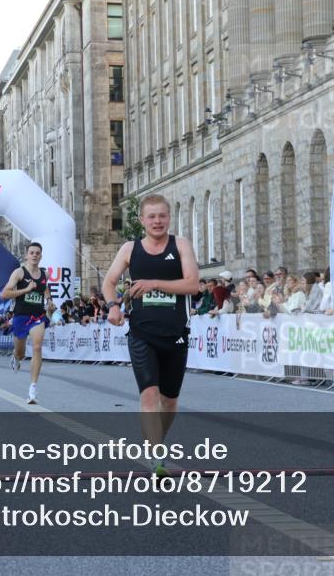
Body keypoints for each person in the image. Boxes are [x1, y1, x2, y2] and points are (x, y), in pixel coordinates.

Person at [103, 194, 199, 477]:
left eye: (162, 216)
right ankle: (158, 457)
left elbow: (193, 285)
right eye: (151, 217)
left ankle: (156, 442)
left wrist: (154, 283)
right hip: (142, 333)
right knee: (149, 395)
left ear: (168, 218)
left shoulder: (180, 245)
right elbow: (109, 283)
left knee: (169, 401)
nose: (157, 221)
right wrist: (113, 306)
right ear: (142, 220)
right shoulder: (130, 249)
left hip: (176, 333)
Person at [0, 242, 53, 404]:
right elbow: (4, 294)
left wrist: (49, 300)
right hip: (21, 316)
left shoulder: (45, 274)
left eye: (37, 253)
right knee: (21, 352)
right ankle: (16, 358)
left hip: (37, 316)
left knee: (37, 347)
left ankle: (33, 389)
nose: (35, 255)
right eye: (32, 253)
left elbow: (45, 288)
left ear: (41, 256)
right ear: (26, 255)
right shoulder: (19, 273)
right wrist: (25, 290)